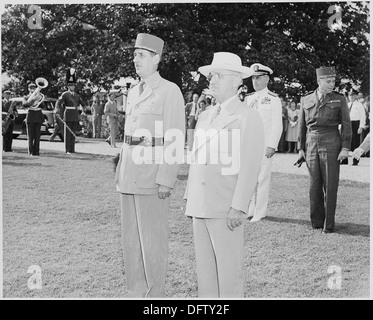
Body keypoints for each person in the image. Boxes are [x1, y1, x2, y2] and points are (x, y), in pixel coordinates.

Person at [184, 52, 264, 298]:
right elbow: (197, 159)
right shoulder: (206, 116)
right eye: (211, 75)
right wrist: (190, 196)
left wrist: (239, 206)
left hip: (225, 205)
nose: (212, 80)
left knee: (228, 274)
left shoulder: (247, 116)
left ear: (237, 81)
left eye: (219, 75)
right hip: (201, 204)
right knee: (205, 274)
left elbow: (250, 166)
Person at [114, 33, 185, 297]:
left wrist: (167, 178)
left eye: (141, 55)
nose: (135, 60)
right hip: (130, 173)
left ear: (157, 59)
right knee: (130, 240)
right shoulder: (133, 91)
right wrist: (120, 171)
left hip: (152, 176)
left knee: (152, 241)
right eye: (134, 55)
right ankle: (135, 291)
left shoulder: (169, 91)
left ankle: (154, 295)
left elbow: (175, 138)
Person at [297, 66, 352, 233]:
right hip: (311, 143)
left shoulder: (339, 99)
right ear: (319, 81)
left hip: (332, 142)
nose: (331, 84)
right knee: (314, 186)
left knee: (331, 184)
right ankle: (317, 223)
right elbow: (301, 126)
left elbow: (347, 125)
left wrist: (345, 147)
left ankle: (329, 225)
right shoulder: (305, 99)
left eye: (333, 81)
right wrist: (300, 148)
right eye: (328, 81)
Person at [245, 63, 283, 222]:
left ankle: (260, 212)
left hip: (265, 145)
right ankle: (250, 208)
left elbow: (277, 125)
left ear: (267, 78)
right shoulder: (249, 99)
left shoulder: (273, 99)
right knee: (249, 178)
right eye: (253, 78)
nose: (255, 81)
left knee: (262, 178)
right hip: (250, 144)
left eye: (259, 77)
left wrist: (272, 145)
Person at [55, 68, 86, 154]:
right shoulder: (65, 94)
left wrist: (83, 111)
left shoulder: (76, 95)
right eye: (71, 85)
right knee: (67, 133)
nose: (73, 87)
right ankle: (67, 149)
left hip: (75, 115)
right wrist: (57, 110)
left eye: (73, 85)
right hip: (68, 114)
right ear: (68, 86)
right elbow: (58, 102)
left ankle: (72, 149)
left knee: (73, 133)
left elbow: (83, 103)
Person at [340, 89, 366, 166]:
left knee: (356, 143)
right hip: (348, 124)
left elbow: (363, 116)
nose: (351, 97)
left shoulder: (359, 105)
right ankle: (345, 159)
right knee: (346, 141)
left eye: (353, 95)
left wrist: (361, 126)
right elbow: (343, 116)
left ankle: (355, 159)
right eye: (350, 95)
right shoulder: (347, 105)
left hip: (356, 123)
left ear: (356, 96)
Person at [23, 82, 44, 156]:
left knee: (37, 136)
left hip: (38, 116)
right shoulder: (26, 97)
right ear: (28, 89)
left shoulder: (39, 96)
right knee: (30, 136)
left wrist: (40, 99)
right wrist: (33, 99)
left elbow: (42, 106)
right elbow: (25, 105)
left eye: (34, 88)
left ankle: (37, 152)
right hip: (31, 116)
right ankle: (31, 152)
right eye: (31, 88)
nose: (33, 90)